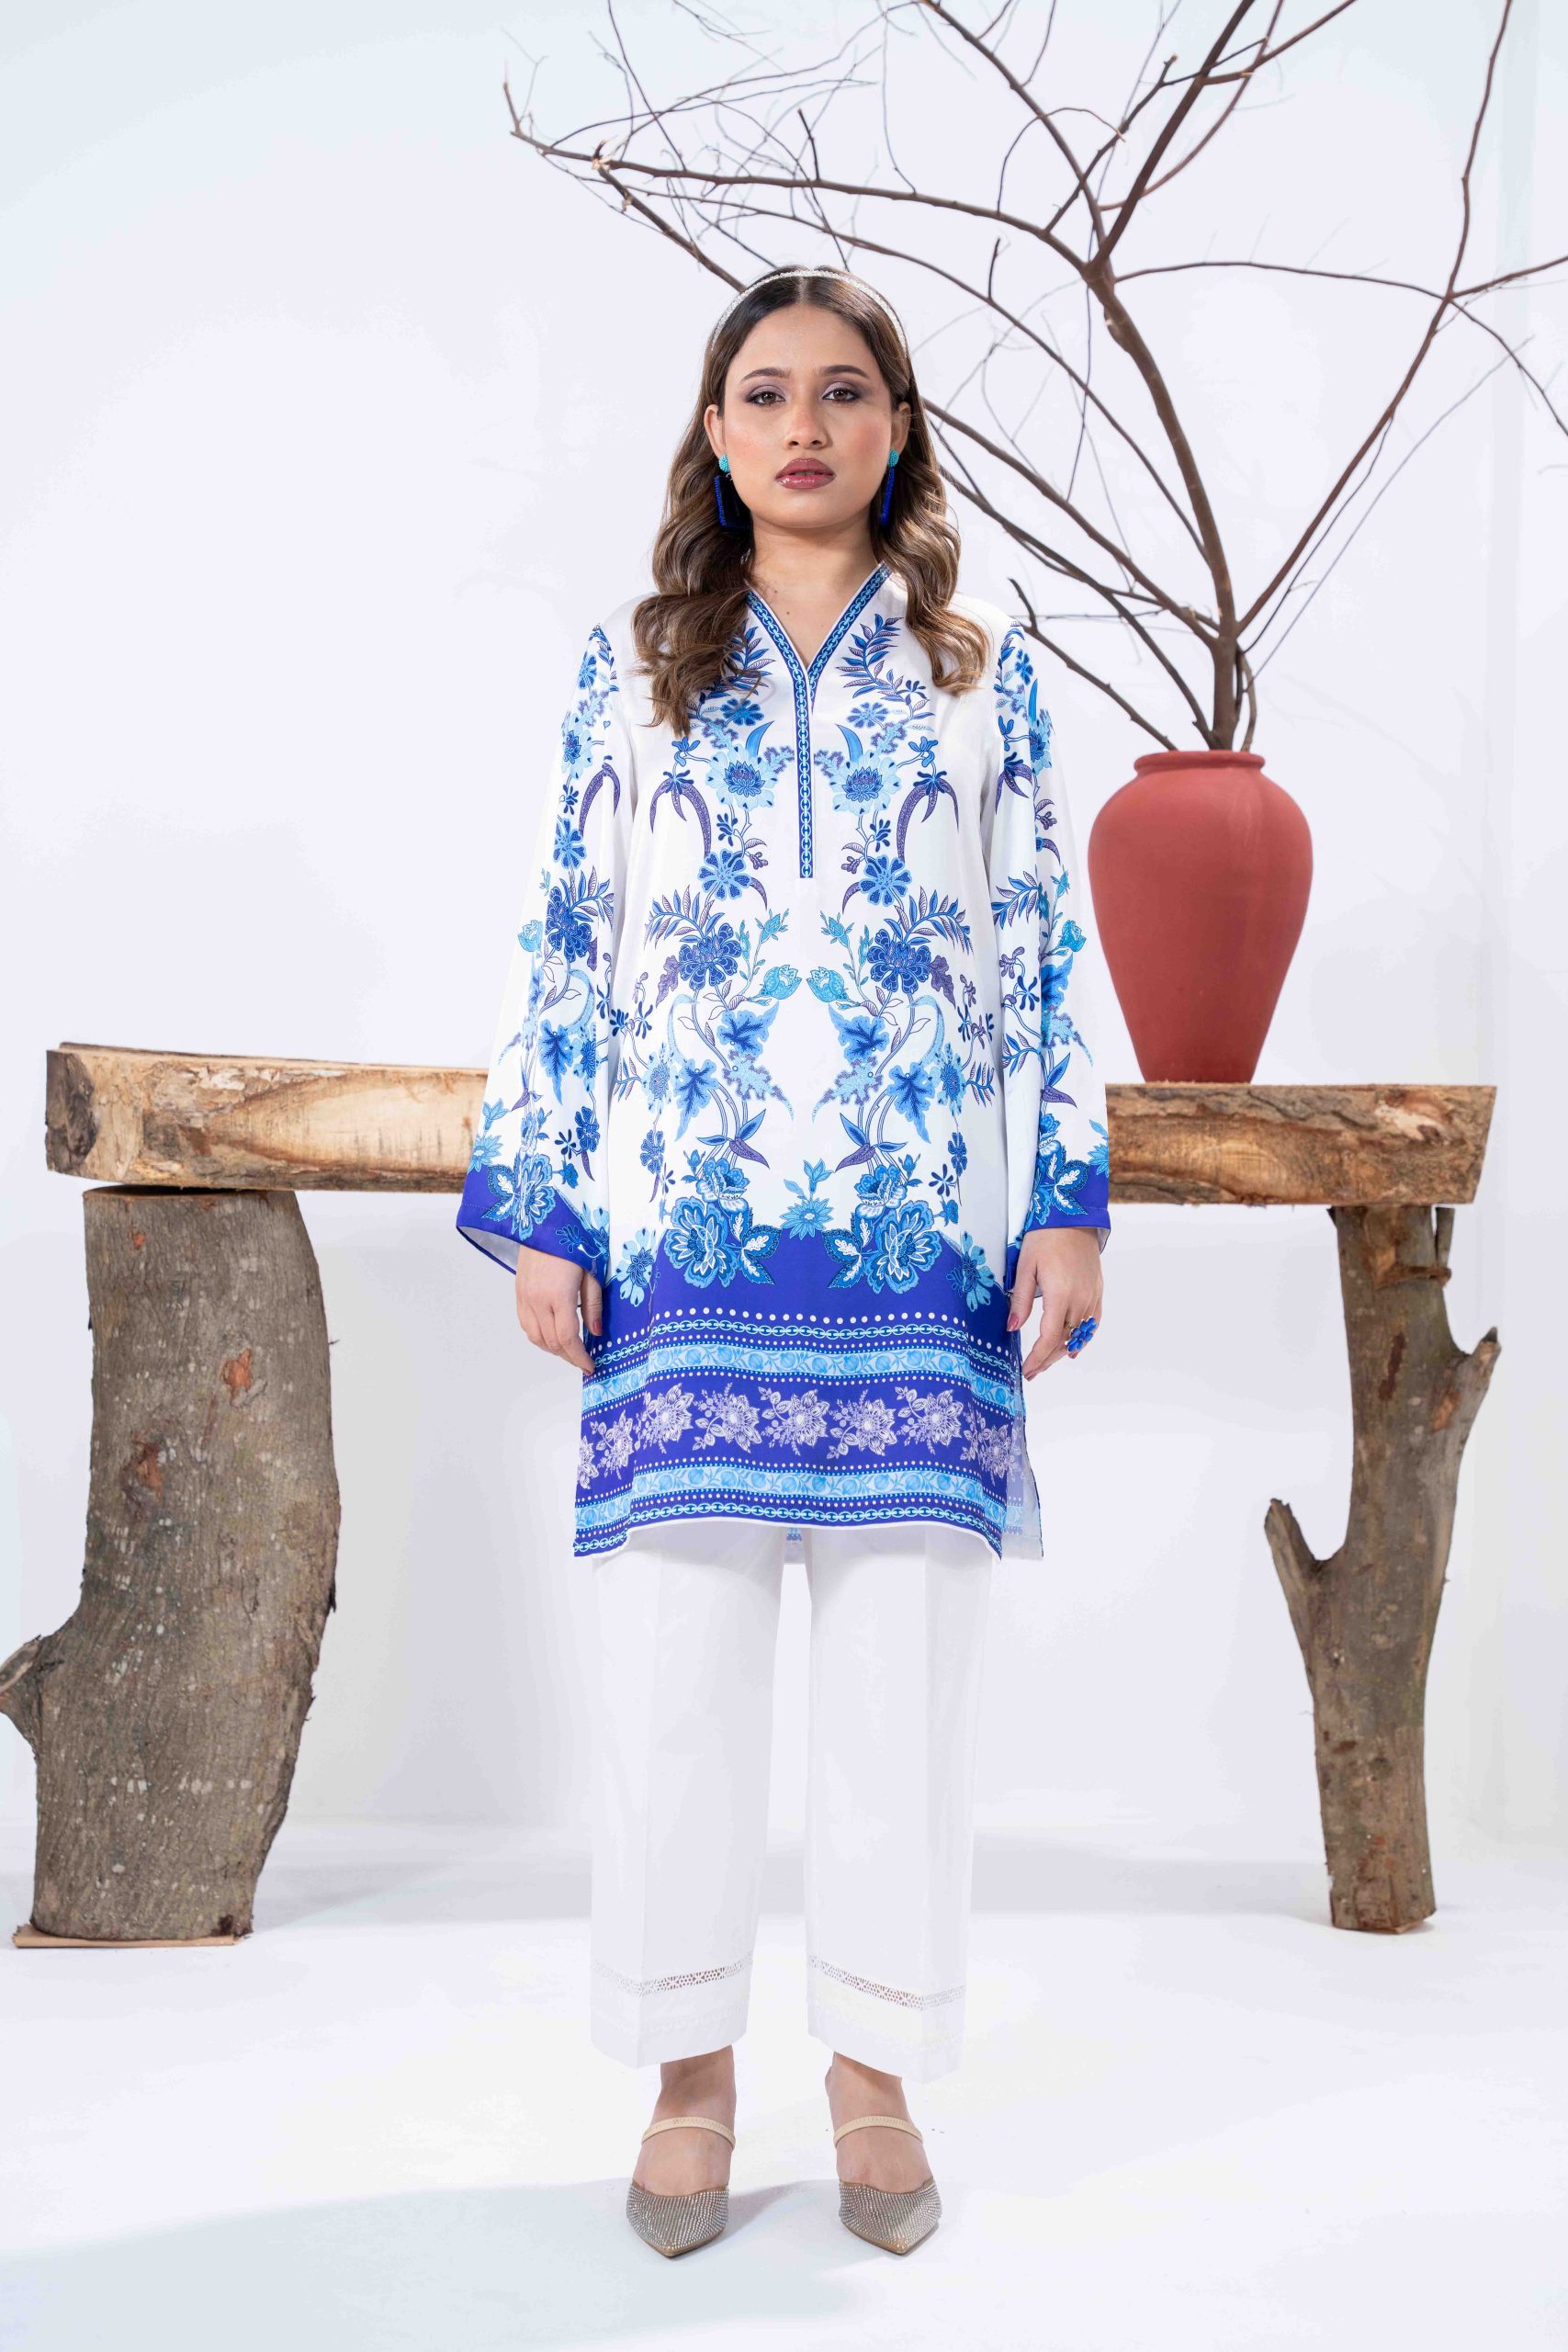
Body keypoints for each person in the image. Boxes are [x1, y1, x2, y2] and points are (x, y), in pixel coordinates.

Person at [456, 264, 1110, 2256]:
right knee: (673, 1679)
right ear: (715, 430)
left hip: (921, 1241)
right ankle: (686, 2076)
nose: (803, 424)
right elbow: (567, 935)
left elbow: (1041, 943)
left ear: (894, 427)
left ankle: (875, 2073)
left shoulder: (981, 670)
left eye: (842, 391)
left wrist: (1066, 1194)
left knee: (900, 1683)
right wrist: (548, 1204)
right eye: (764, 391)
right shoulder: (637, 666)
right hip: (682, 1233)